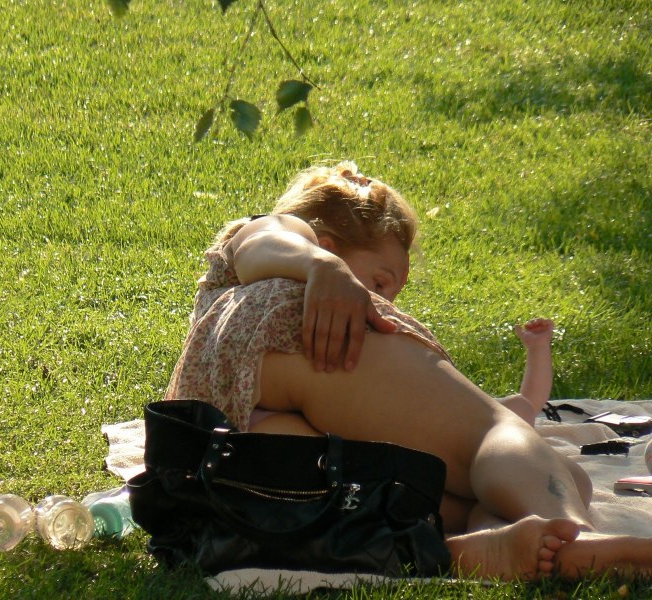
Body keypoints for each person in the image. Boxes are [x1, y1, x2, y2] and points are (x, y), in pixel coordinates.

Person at [165, 161, 652, 581]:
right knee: (489, 430)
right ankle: (580, 535)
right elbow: (263, 243)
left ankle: (475, 545)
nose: (383, 303)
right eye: (379, 283)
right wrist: (326, 269)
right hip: (283, 343)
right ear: (329, 241)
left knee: (531, 481)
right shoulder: (292, 245)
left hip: (232, 450)